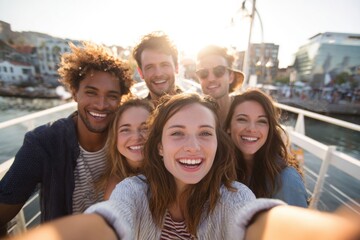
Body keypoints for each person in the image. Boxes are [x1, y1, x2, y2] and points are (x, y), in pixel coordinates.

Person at [5, 93, 360, 240]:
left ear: (218, 144)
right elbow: (108, 222)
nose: (193, 146)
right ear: (158, 147)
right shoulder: (134, 191)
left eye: (205, 133)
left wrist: (332, 230)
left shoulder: (233, 196)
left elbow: (258, 220)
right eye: (178, 134)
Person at [0, 41, 134, 236]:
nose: (101, 104)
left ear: (120, 100)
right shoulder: (43, 143)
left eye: (112, 96)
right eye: (91, 92)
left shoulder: (128, 142)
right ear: (74, 93)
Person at [224, 88, 308, 207]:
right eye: (242, 119)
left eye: (261, 121)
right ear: (228, 126)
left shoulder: (286, 180)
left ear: (270, 129)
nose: (252, 129)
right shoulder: (223, 169)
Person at [95, 96, 154, 200]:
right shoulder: (116, 190)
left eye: (145, 128)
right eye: (125, 130)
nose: (136, 137)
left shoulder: (174, 173)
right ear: (115, 138)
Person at [196, 45, 244, 124]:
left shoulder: (246, 109)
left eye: (219, 71)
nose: (211, 79)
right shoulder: (193, 115)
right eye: (203, 73)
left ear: (231, 76)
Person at [132, 31, 182, 105]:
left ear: (176, 67)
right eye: (150, 67)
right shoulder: (136, 114)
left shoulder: (196, 110)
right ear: (140, 72)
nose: (158, 74)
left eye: (165, 65)